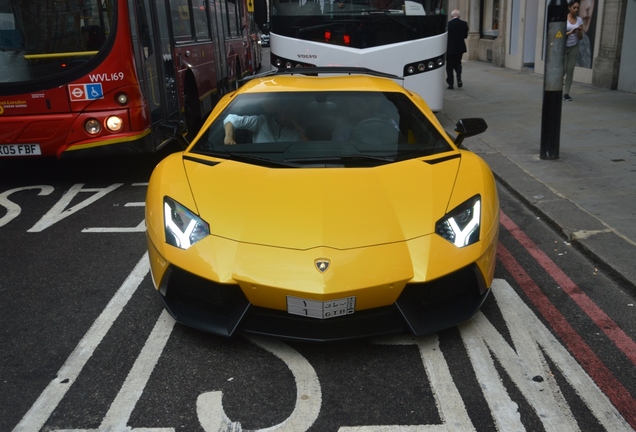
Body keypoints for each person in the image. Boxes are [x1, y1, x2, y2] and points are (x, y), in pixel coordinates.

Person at [223, 98, 307, 144]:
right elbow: (231, 118)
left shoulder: (297, 133)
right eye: (287, 111)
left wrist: (298, 128)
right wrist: (229, 136)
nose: (289, 115)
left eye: (293, 113)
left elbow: (308, 148)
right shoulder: (262, 121)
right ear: (279, 110)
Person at [563, 0, 584, 102]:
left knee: (570, 70)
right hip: (563, 47)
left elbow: (580, 38)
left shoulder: (579, 20)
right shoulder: (564, 18)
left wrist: (579, 32)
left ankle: (566, 93)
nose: (576, 10)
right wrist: (570, 32)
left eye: (577, 8)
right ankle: (556, 89)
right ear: (569, 7)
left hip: (574, 47)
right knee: (563, 69)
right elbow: (560, 35)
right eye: (574, 7)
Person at [446, 9, 468, 90]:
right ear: (459, 16)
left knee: (449, 65)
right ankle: (458, 76)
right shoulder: (464, 24)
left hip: (450, 48)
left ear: (452, 16)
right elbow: (465, 36)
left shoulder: (448, 24)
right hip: (460, 48)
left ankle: (450, 83)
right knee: (458, 63)